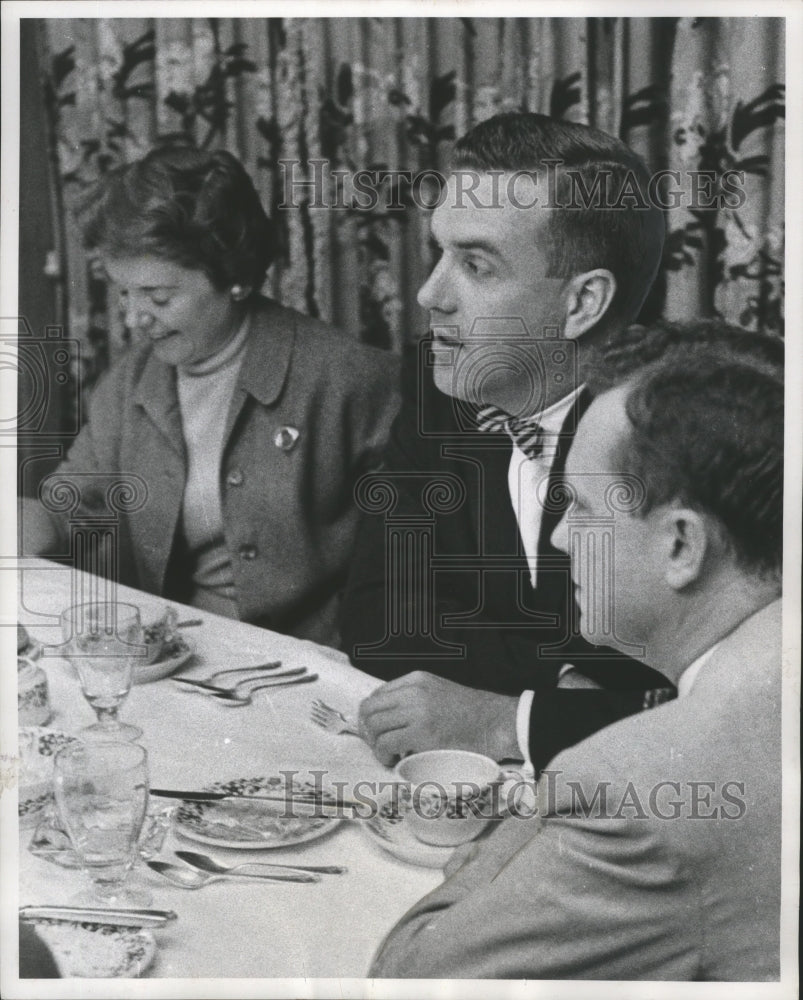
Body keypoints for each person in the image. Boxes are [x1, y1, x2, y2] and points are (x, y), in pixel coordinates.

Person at [369, 320, 783, 980]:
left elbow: (412, 975)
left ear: (681, 545)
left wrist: (513, 842)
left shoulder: (630, 788)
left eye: (584, 508)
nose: (561, 538)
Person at [340, 112, 673, 770]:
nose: (427, 293)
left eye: (475, 265)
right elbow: (377, 611)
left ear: (581, 303)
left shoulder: (674, 430)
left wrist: (505, 718)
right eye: (440, 252)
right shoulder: (442, 382)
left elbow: (701, 706)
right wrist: (566, 683)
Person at [19, 144, 400, 645]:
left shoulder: (350, 378)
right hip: (183, 657)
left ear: (235, 278)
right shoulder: (129, 383)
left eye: (158, 296)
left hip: (311, 669)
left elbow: (409, 569)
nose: (133, 318)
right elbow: (70, 507)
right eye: (122, 293)